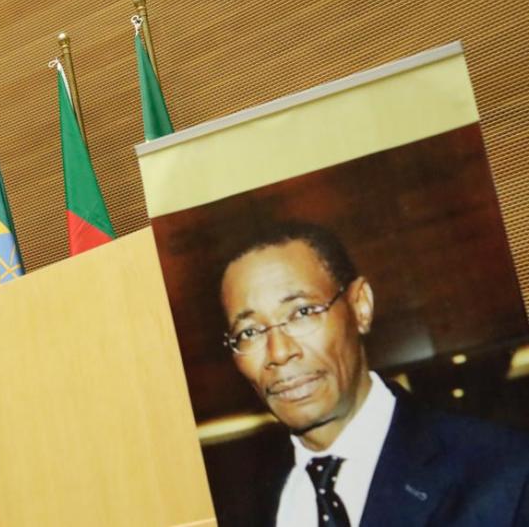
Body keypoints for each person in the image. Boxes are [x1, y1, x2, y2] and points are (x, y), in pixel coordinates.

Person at [216, 221, 529, 527]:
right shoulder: (237, 508)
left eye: (302, 313)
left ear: (360, 307)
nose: (280, 352)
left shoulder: (503, 474)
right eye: (250, 332)